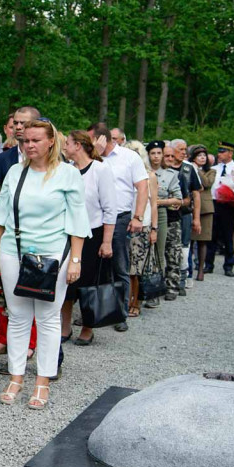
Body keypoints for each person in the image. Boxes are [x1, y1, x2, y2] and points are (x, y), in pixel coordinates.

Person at [0, 120, 89, 410]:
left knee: (47, 318)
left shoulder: (68, 174)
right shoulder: (15, 172)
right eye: (25, 140)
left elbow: (78, 220)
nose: (29, 145)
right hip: (13, 251)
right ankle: (16, 377)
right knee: (18, 316)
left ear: (51, 142)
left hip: (53, 254)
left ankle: (43, 380)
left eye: (36, 140)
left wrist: (76, 260)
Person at [59, 130, 116, 346]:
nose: (64, 147)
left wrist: (107, 242)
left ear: (78, 146)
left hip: (93, 233)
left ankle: (88, 327)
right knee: (66, 282)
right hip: (67, 233)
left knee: (89, 283)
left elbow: (110, 208)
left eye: (68, 143)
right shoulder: (66, 169)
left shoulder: (100, 169)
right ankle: (65, 326)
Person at [90, 122, 148, 331]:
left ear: (101, 138)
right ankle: (93, 311)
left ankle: (120, 314)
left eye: (90, 139)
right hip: (93, 218)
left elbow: (142, 187)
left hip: (120, 217)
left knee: (119, 266)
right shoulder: (89, 158)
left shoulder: (128, 157)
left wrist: (138, 217)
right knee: (93, 266)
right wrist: (94, 155)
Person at [125, 140, 159, 317]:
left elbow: (154, 204)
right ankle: (124, 301)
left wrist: (154, 229)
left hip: (143, 226)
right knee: (125, 268)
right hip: (124, 224)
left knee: (137, 269)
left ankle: (136, 302)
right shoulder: (122, 174)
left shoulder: (150, 176)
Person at [147, 141, 183, 303]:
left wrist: (158, 202)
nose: (156, 157)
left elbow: (178, 199)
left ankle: (155, 291)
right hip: (142, 213)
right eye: (153, 153)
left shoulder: (170, 174)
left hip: (161, 213)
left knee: (159, 253)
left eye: (158, 153)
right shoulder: (143, 171)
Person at [168, 140, 201, 292]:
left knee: (184, 246)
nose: (184, 152)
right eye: (180, 149)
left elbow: (196, 194)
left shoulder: (189, 168)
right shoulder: (165, 167)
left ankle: (182, 278)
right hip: (167, 212)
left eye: (185, 149)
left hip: (185, 213)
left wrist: (197, 218)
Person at [210, 141, 234, 275]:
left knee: (229, 235)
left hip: (229, 205)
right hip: (214, 202)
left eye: (223, 152)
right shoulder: (214, 168)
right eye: (219, 151)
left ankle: (229, 265)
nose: (219, 154)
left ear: (230, 153)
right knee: (212, 235)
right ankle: (208, 263)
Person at [0, 106, 41, 186]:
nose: (18, 127)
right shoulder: (3, 158)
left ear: (37, 124)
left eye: (23, 123)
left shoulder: (49, 156)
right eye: (15, 123)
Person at [189, 145, 216, 280]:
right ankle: (188, 270)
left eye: (204, 156)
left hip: (205, 208)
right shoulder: (188, 168)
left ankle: (200, 269)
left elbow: (207, 183)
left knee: (203, 241)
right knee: (189, 241)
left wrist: (197, 170)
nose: (202, 158)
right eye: (199, 156)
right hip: (191, 206)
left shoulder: (211, 171)